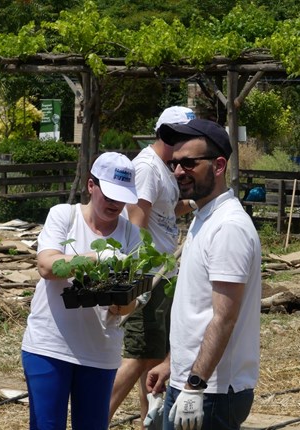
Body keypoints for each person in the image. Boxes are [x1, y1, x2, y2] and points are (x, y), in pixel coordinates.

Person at [146, 119, 262, 430]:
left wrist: (194, 385)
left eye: (189, 163)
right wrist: (173, 364)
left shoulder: (228, 227)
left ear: (219, 165)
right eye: (174, 163)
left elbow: (224, 317)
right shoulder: (204, 217)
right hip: (193, 382)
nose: (178, 172)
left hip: (212, 391)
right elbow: (197, 310)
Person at [21, 152, 143, 430]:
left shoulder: (130, 235)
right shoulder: (64, 216)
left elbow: (132, 302)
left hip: (99, 350)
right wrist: (95, 259)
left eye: (121, 197)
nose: (114, 203)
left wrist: (121, 303)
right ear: (91, 185)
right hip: (49, 346)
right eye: (109, 194)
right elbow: (46, 266)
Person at [109, 106, 198, 429]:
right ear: (168, 136)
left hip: (162, 273)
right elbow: (137, 221)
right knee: (139, 354)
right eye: (185, 137)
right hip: (149, 275)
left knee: (154, 354)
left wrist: (191, 204)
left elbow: (163, 213)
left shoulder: (164, 168)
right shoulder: (146, 168)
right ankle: (95, 418)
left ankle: (151, 421)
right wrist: (140, 276)